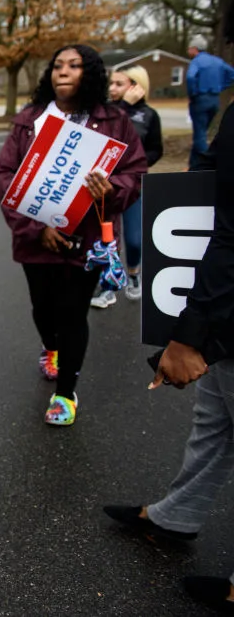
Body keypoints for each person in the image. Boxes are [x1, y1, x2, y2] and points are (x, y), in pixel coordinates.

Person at [102, 100, 234, 614]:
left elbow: (229, 233)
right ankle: (177, 514)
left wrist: (191, 335)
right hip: (223, 311)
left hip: (221, 301)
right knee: (215, 419)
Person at [0, 45, 147, 426]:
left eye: (74, 65)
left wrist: (112, 189)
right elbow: (7, 175)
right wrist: (36, 228)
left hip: (88, 239)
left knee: (73, 314)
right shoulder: (30, 119)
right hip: (35, 239)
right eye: (58, 65)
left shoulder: (113, 120)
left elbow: (135, 171)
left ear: (90, 73)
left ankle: (65, 393)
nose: (63, 71)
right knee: (43, 308)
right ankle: (51, 347)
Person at [90, 66, 163, 308]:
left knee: (133, 240)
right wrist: (124, 107)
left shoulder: (149, 115)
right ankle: (108, 287)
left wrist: (137, 164)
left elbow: (156, 149)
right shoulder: (105, 113)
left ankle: (133, 273)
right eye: (111, 83)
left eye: (119, 84)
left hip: (133, 186)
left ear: (137, 86)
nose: (112, 88)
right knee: (107, 240)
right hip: (105, 186)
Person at [186, 36, 234, 171]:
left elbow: (190, 77)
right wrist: (221, 86)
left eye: (189, 48)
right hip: (215, 99)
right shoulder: (217, 61)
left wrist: (192, 93)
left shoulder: (196, 62)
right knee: (201, 132)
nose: (188, 51)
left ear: (195, 49)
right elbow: (232, 74)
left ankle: (204, 167)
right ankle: (193, 166)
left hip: (200, 99)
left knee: (200, 135)